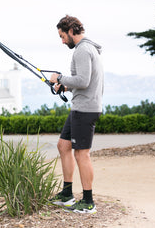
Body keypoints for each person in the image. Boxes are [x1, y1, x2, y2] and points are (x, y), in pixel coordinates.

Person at [49, 15, 104, 214]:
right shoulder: (86, 49)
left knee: (82, 153)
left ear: (71, 31)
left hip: (85, 109)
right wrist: (64, 86)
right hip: (80, 106)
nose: (62, 41)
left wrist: (60, 77)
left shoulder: (83, 50)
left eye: (63, 36)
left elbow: (83, 80)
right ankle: (67, 194)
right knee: (63, 146)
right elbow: (82, 83)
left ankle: (88, 202)